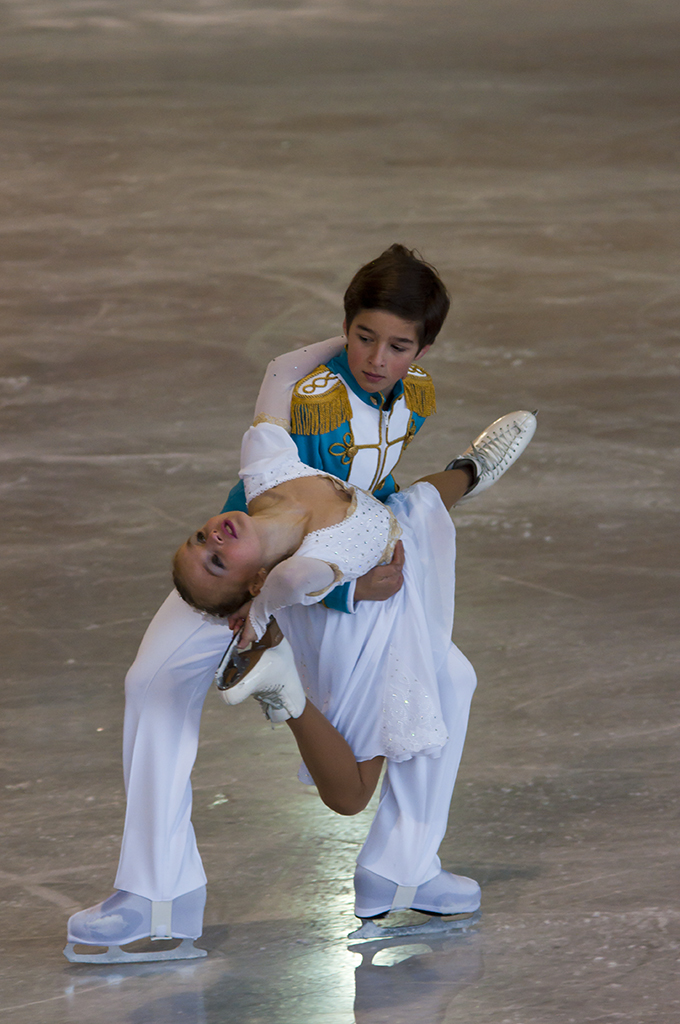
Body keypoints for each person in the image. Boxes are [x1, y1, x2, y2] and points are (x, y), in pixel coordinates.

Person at [64, 244, 535, 963]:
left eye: (397, 345)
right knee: (155, 681)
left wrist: (387, 545)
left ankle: (405, 872)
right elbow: (286, 491)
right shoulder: (313, 397)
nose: (376, 357)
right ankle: (154, 898)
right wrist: (334, 584)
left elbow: (380, 498)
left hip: (341, 573)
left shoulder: (409, 396)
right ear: (345, 329)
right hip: (256, 570)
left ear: (421, 350)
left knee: (450, 678)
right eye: (363, 336)